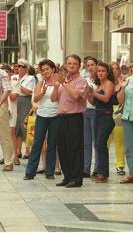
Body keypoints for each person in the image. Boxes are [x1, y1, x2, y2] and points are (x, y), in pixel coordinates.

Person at [51, 54, 89, 188]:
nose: (71, 66)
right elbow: (53, 98)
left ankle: (76, 178)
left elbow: (75, 96)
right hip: (61, 117)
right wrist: (56, 86)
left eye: (74, 64)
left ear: (79, 66)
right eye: (69, 63)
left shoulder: (81, 81)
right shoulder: (63, 80)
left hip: (74, 117)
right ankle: (67, 176)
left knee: (74, 148)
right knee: (62, 148)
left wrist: (64, 83)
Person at [24, 59, 59, 180]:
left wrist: (55, 87)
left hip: (55, 116)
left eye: (47, 69)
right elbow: (36, 99)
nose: (45, 72)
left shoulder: (58, 82)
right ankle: (30, 172)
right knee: (37, 143)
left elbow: (57, 99)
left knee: (52, 144)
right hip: (42, 116)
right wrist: (43, 92)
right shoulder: (40, 83)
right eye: (42, 70)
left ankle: (50, 172)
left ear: (53, 69)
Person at [89, 62, 116, 183]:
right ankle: (99, 170)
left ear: (108, 73)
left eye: (103, 71)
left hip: (106, 117)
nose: (100, 73)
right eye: (98, 71)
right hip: (97, 115)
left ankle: (103, 172)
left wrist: (93, 92)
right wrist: (89, 94)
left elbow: (106, 99)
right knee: (98, 144)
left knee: (101, 144)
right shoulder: (98, 85)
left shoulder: (109, 84)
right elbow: (95, 102)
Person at [14, 59, 35, 165]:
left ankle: (27, 150)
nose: (20, 68)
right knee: (17, 126)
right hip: (15, 101)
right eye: (19, 66)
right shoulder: (14, 77)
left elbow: (29, 91)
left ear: (27, 68)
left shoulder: (30, 78)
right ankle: (18, 150)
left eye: (23, 66)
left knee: (25, 125)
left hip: (25, 100)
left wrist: (18, 85)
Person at [108, 62, 126, 175]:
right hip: (107, 113)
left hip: (119, 112)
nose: (114, 70)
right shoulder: (106, 82)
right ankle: (101, 164)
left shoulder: (124, 82)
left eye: (116, 68)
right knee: (106, 141)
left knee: (120, 140)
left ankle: (120, 165)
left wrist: (121, 87)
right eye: (112, 69)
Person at [82, 57, 98, 178]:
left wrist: (90, 94)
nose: (90, 67)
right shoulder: (84, 80)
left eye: (92, 64)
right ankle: (86, 168)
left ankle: (97, 168)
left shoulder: (101, 80)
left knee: (97, 143)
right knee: (86, 142)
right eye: (88, 65)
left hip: (96, 111)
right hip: (85, 111)